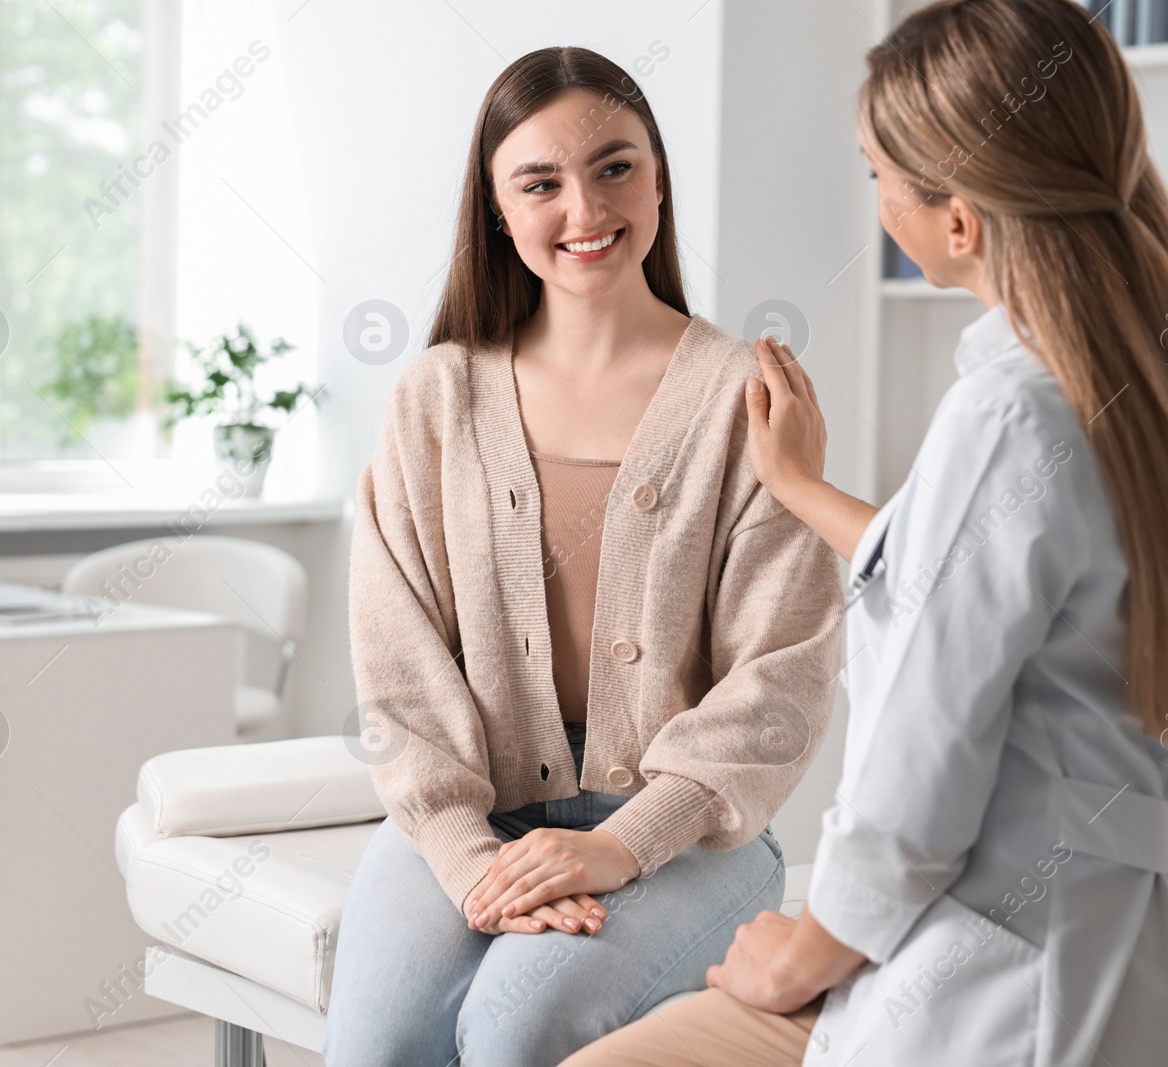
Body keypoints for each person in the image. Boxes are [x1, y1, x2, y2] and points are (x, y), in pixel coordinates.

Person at [561, 1, 1168, 1064]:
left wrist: (796, 955)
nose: (875, 201)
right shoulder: (1166, 389)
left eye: (876, 174)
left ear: (957, 222)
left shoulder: (1006, 417)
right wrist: (801, 487)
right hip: (1147, 982)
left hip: (1000, 994)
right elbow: (979, 583)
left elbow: (917, 784)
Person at [322, 46, 845, 1067]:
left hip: (687, 833)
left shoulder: (749, 395)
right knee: (379, 1039)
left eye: (615, 166)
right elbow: (397, 658)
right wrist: (472, 856)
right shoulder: (437, 395)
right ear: (497, 208)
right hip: (478, 806)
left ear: (656, 178)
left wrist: (618, 844)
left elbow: (782, 671)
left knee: (516, 1023)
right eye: (539, 182)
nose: (583, 208)